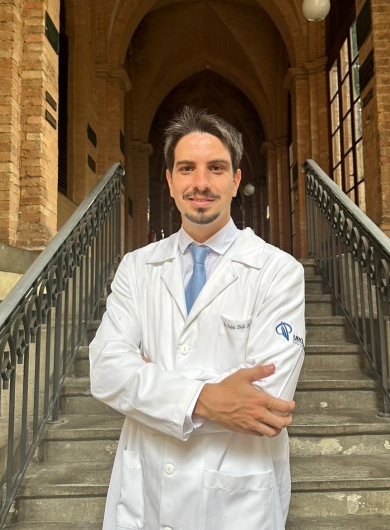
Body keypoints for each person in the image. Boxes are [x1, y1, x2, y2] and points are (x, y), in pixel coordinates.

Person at [89, 106, 305, 530]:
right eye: (187, 168)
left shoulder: (278, 271)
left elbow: (265, 401)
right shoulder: (137, 267)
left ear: (235, 180)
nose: (200, 183)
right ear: (170, 181)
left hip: (237, 501)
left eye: (216, 168)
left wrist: (149, 380)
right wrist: (210, 398)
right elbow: (107, 371)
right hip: (144, 493)